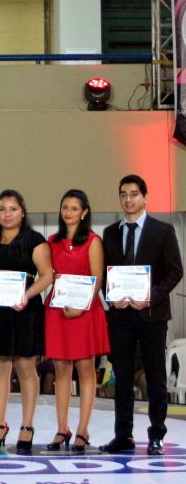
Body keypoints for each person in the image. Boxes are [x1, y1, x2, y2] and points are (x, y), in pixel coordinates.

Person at [101, 174, 183, 456]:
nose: (128, 199)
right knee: (122, 378)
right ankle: (123, 435)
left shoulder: (163, 231)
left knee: (156, 377)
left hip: (152, 315)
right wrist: (111, 297)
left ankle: (157, 434)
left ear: (145, 197)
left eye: (134, 194)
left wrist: (150, 297)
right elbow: (105, 274)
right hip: (121, 317)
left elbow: (175, 272)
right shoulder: (110, 233)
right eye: (123, 194)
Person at [0, 189, 53, 454]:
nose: (7, 214)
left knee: (26, 368)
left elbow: (47, 275)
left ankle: (27, 426)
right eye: (2, 209)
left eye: (12, 209)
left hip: (24, 310)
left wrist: (26, 295)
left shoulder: (34, 240)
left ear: (22, 212)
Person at [44, 190, 108, 453]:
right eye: (64, 207)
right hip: (59, 309)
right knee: (60, 369)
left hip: (84, 311)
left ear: (84, 212)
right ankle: (62, 428)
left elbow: (97, 279)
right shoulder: (52, 241)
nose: (68, 212)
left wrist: (80, 306)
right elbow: (48, 274)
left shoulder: (93, 241)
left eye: (73, 208)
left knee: (86, 369)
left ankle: (83, 429)